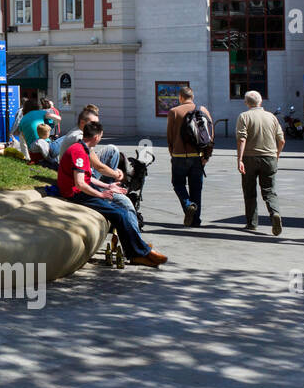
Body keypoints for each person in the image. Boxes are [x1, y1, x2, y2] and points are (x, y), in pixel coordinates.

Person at [57, 121, 166, 267]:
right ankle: (140, 253)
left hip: (81, 191)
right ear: (96, 136)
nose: (101, 138)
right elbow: (80, 184)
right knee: (119, 214)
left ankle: (138, 251)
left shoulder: (83, 148)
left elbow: (89, 179)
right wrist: (101, 195)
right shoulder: (78, 152)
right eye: (101, 136)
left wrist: (108, 185)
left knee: (121, 212)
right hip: (76, 194)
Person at [236, 90, 285, 236]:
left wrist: (240, 159)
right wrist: (276, 155)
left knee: (250, 191)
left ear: (246, 102)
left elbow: (242, 139)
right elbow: (281, 140)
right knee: (269, 190)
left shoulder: (244, 116)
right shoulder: (271, 117)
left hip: (250, 158)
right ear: (261, 101)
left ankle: (252, 223)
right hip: (269, 157)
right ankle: (275, 213)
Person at [166, 85, 211, 227]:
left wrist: (172, 152)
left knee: (178, 184)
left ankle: (187, 206)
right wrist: (206, 155)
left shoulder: (173, 111)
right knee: (196, 188)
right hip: (198, 155)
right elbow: (210, 134)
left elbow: (170, 136)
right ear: (192, 97)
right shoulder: (202, 110)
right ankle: (195, 221)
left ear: (180, 97)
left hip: (179, 155)